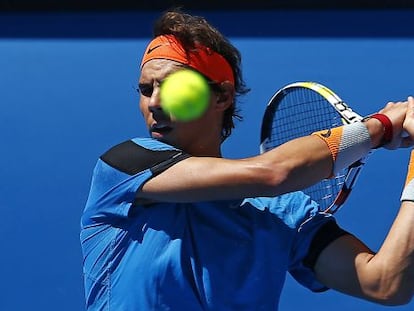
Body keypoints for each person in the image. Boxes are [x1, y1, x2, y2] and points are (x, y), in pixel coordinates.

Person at [80, 9, 414, 311]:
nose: (153, 102)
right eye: (144, 89)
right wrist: (377, 128)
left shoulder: (286, 213)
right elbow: (274, 172)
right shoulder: (122, 168)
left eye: (172, 87)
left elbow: (386, 283)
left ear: (222, 95)